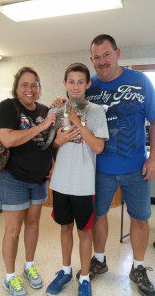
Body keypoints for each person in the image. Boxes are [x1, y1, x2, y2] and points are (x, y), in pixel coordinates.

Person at [77, 34, 155, 296]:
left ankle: (139, 266)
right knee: (98, 216)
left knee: (140, 219)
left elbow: (154, 122)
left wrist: (153, 158)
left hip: (136, 168)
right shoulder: (91, 88)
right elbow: (74, 116)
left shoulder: (140, 81)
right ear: (92, 60)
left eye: (106, 54)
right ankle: (99, 260)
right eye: (96, 57)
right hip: (100, 169)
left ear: (117, 53)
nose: (102, 61)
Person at [0, 67, 78, 296]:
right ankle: (10, 277)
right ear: (16, 88)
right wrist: (41, 125)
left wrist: (58, 109)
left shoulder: (44, 110)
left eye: (34, 84)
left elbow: (50, 141)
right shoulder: (8, 107)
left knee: (33, 224)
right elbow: (8, 139)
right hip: (12, 178)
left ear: (39, 88)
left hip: (38, 179)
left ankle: (29, 266)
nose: (29, 89)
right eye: (24, 85)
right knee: (13, 229)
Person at [45, 63, 109, 296]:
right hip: (61, 182)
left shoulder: (96, 111)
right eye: (71, 81)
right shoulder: (54, 111)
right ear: (65, 83)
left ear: (88, 84)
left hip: (83, 184)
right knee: (65, 228)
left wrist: (77, 121)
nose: (75, 86)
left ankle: (84, 278)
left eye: (80, 82)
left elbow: (99, 147)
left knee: (84, 232)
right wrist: (58, 141)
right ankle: (64, 271)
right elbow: (49, 144)